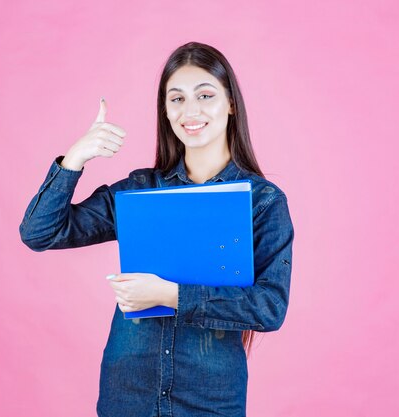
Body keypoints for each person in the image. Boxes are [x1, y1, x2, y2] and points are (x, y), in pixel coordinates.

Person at [19, 41, 294, 417]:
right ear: (165, 111)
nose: (190, 110)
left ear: (231, 103)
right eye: (176, 99)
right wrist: (75, 158)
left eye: (205, 95)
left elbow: (269, 308)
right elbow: (40, 232)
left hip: (210, 401)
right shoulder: (141, 191)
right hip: (127, 393)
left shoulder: (261, 202)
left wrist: (172, 294)